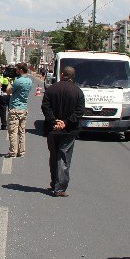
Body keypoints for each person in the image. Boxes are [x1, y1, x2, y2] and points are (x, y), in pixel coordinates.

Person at [41, 65, 86, 196]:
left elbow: (45, 107)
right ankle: (59, 188)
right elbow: (79, 112)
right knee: (64, 157)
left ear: (61, 75)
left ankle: (54, 182)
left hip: (52, 129)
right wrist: (65, 123)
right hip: (69, 131)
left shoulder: (51, 89)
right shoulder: (78, 92)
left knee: (54, 156)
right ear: (73, 77)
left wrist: (54, 121)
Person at [5, 63, 32, 158]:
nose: (15, 71)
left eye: (17, 69)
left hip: (15, 109)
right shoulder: (29, 81)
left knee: (13, 131)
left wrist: (9, 82)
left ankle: (13, 152)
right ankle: (22, 151)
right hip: (23, 108)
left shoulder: (18, 81)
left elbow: (8, 92)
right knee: (21, 131)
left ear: (20, 70)